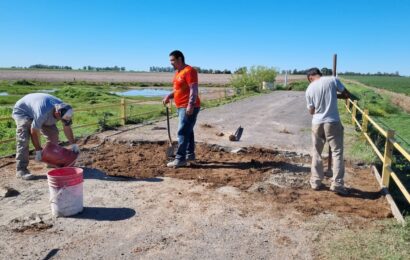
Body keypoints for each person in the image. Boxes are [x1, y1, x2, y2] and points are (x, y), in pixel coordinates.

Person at [12, 93, 79, 180]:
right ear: (57, 113)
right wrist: (38, 150)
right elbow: (34, 131)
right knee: (23, 139)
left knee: (53, 134)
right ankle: (21, 170)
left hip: (40, 111)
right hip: (24, 112)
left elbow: (67, 127)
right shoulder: (43, 113)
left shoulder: (65, 109)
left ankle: (51, 160)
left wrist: (73, 144)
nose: (61, 121)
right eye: (61, 119)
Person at [305, 68, 350, 195]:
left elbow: (311, 111)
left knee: (316, 152)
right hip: (332, 122)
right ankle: (337, 184)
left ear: (310, 77)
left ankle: (316, 181)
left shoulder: (309, 89)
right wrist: (334, 97)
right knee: (337, 152)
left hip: (317, 123)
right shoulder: (333, 80)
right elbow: (347, 94)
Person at [162, 50, 200, 168]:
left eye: (172, 60)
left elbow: (193, 89)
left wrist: (190, 105)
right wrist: (169, 96)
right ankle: (189, 154)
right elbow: (179, 90)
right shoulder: (178, 72)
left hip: (187, 106)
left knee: (182, 132)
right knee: (188, 130)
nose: (171, 63)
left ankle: (180, 159)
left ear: (179, 59)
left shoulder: (189, 71)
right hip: (181, 106)